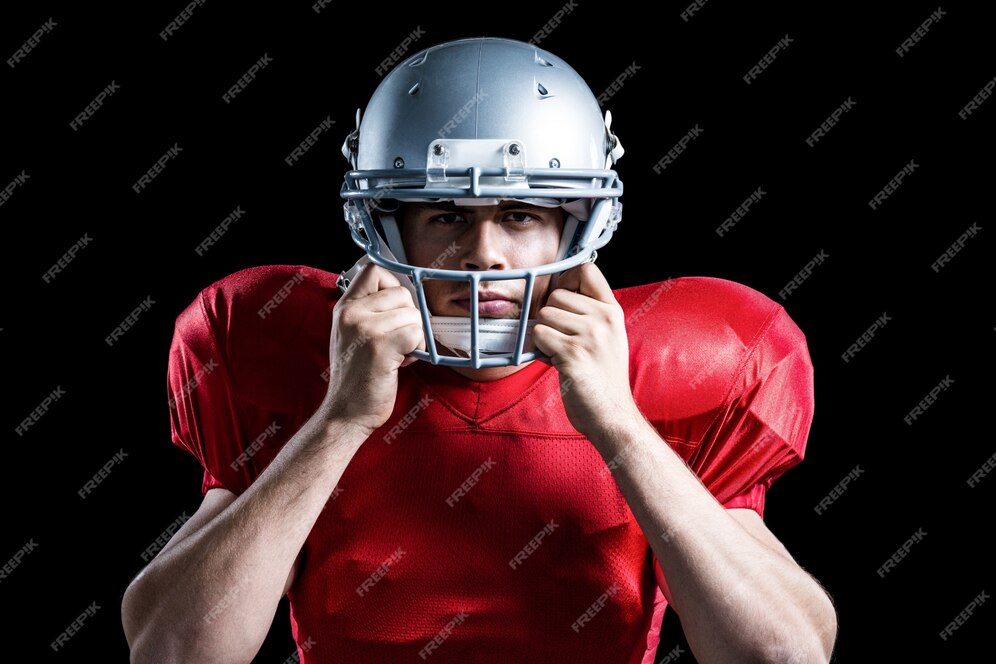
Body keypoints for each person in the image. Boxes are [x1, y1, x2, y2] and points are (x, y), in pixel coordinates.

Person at [121, 36, 838, 663]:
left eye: (520, 213)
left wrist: (620, 426)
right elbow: (173, 650)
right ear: (385, 225)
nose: (483, 256)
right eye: (444, 215)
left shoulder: (692, 358)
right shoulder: (279, 339)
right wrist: (337, 422)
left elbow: (780, 653)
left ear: (578, 223)